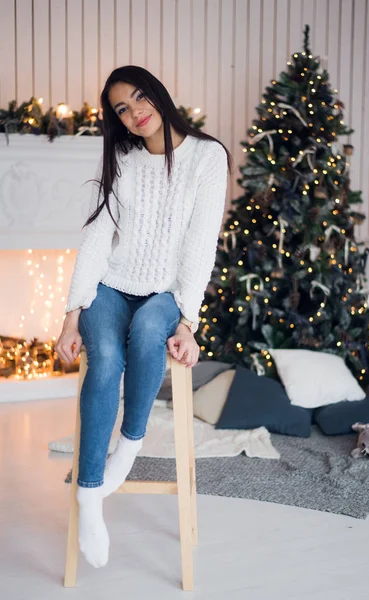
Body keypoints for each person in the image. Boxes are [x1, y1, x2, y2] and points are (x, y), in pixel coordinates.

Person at [54, 65, 232, 569]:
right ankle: (91, 495)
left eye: (139, 98)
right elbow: (95, 240)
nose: (136, 113)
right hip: (112, 286)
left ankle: (127, 450)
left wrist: (189, 323)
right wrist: (70, 318)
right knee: (106, 359)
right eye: (122, 109)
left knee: (151, 328)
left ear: (157, 92)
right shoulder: (124, 161)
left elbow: (200, 248)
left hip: (165, 293)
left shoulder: (206, 157)